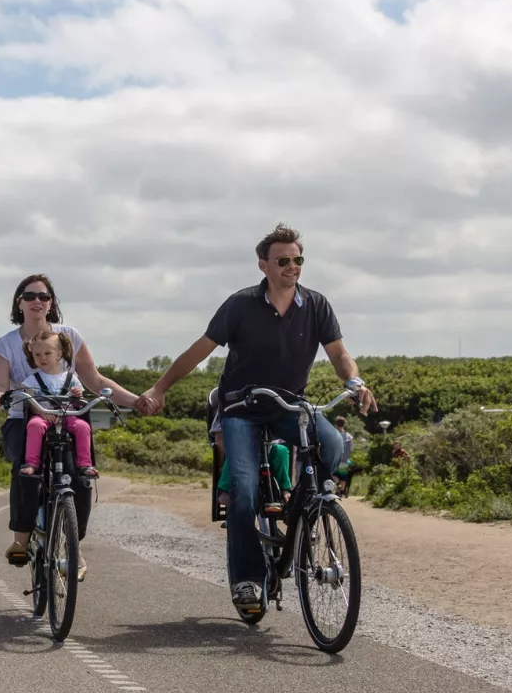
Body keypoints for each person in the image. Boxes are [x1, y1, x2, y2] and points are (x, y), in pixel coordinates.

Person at [135, 224, 378, 616]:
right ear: (263, 265)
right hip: (240, 409)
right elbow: (198, 351)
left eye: (298, 259)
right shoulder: (240, 305)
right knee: (245, 492)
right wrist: (160, 388)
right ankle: (247, 579)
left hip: (289, 406)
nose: (292, 267)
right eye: (282, 260)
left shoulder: (316, 305)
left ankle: (306, 507)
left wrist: (355, 381)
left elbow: (338, 354)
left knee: (332, 446)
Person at [0, 274, 141, 569]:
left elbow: (94, 379)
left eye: (44, 297)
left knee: (80, 477)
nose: (37, 302)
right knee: (25, 470)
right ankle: (21, 540)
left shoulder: (69, 335)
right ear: (18, 302)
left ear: (51, 304)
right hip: (26, 415)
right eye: (29, 296)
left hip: (68, 416)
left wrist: (135, 401)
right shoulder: (5, 344)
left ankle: (73, 546)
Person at [17, 328, 98, 479]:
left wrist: (77, 394)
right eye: (37, 354)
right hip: (44, 416)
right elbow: (30, 401)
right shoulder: (32, 380)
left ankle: (85, 464)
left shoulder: (71, 377)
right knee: (34, 425)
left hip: (68, 416)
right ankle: (31, 464)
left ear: (59, 354)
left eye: (47, 353)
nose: (43, 358)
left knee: (83, 426)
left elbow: (79, 398)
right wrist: (42, 413)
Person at [332, 417, 356, 496]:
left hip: (335, 459)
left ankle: (337, 484)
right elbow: (351, 448)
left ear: (336, 424)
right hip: (344, 460)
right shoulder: (348, 437)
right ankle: (341, 491)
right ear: (344, 424)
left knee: (334, 475)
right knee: (343, 477)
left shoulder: (333, 434)